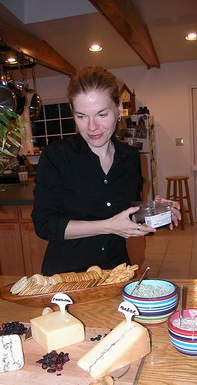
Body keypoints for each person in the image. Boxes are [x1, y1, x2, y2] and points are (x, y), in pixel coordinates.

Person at [32, 66, 180, 276]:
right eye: (81, 116)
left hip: (116, 272)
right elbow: (44, 225)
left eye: (102, 114)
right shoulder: (56, 157)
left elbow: (128, 218)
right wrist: (108, 226)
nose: (92, 126)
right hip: (67, 276)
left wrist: (156, 213)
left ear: (119, 108)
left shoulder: (130, 158)